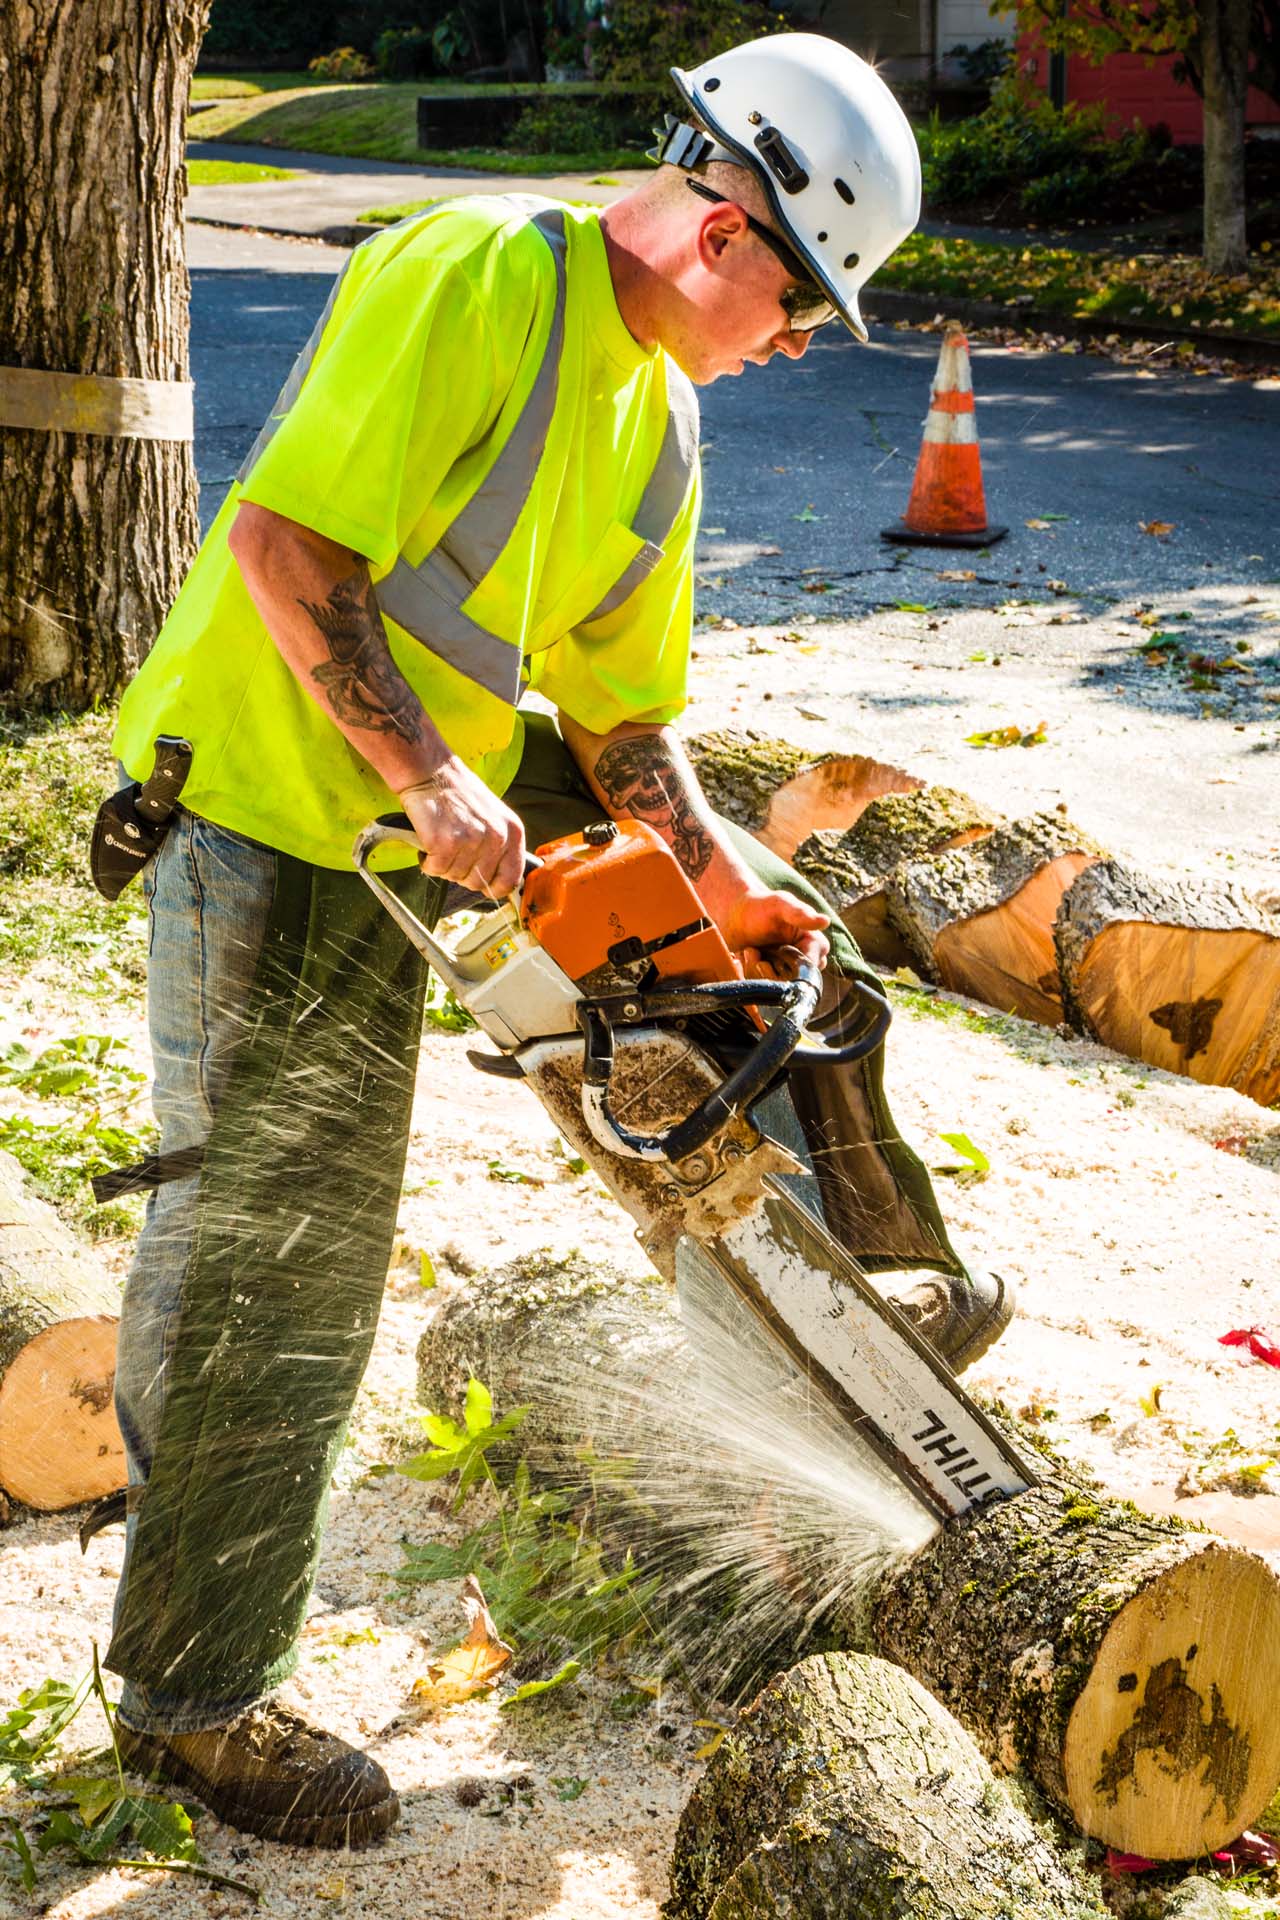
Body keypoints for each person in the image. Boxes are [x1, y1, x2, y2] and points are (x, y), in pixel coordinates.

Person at [100, 31, 1012, 1849]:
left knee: (761, 1013)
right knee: (284, 1248)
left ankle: (845, 1347)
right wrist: (431, 777)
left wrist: (732, 883)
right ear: (725, 227)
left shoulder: (658, 416)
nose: (801, 341)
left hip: (455, 795)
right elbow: (289, 549)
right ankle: (193, 1702)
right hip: (283, 811)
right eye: (804, 301)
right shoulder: (481, 278)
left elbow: (620, 722)